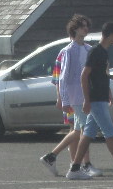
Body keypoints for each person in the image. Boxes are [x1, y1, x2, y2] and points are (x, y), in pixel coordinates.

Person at [66, 22, 113, 180]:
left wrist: (110, 84)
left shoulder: (104, 52)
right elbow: (84, 76)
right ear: (111, 34)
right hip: (95, 100)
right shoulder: (95, 52)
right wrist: (86, 100)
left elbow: (100, 74)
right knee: (109, 133)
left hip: (101, 98)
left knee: (87, 134)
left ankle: (74, 169)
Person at [40, 14, 98, 177]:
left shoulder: (88, 49)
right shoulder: (67, 51)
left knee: (79, 130)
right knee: (81, 129)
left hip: (84, 96)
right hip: (74, 97)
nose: (86, 29)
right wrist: (63, 99)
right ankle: (76, 164)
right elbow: (61, 78)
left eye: (87, 26)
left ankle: (61, 160)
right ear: (74, 29)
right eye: (82, 26)